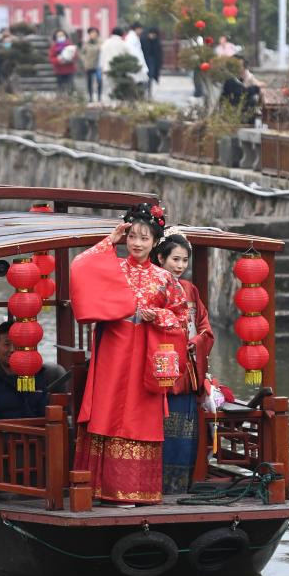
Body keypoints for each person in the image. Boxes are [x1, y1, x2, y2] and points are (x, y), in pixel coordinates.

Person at [70, 203, 188, 506]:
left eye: (144, 238)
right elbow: (80, 268)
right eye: (132, 236)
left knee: (139, 415)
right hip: (113, 348)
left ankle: (133, 490)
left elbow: (182, 318)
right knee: (107, 410)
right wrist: (109, 239)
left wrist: (158, 317)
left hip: (146, 353)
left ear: (154, 242)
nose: (136, 243)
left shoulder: (165, 280)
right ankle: (97, 487)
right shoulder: (112, 267)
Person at [154, 232, 214, 495]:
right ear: (161, 258)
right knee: (160, 432)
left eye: (184, 260)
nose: (180, 266)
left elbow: (205, 327)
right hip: (160, 371)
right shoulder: (152, 287)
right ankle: (153, 485)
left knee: (186, 434)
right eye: (175, 259)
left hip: (187, 370)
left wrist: (197, 341)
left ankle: (181, 487)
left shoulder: (191, 290)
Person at [0, 320, 49, 419]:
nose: (12, 350)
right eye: (7, 344)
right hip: (3, 432)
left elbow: (46, 410)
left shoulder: (36, 374)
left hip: (36, 432)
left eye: (16, 344)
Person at [99, 26, 129, 101]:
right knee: (117, 87)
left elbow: (102, 56)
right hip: (118, 69)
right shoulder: (123, 44)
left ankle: (107, 103)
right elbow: (127, 57)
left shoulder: (106, 43)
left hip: (107, 68)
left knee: (108, 87)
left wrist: (101, 67)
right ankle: (116, 104)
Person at [123, 21, 149, 95]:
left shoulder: (133, 37)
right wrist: (140, 65)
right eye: (140, 29)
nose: (141, 31)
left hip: (136, 65)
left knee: (140, 83)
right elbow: (135, 53)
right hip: (136, 65)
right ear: (137, 29)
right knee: (139, 84)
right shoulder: (132, 38)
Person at [48, 28, 77, 94]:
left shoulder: (69, 45)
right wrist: (59, 60)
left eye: (62, 35)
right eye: (59, 36)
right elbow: (51, 58)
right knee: (60, 88)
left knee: (70, 87)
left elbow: (75, 56)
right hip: (59, 70)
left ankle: (71, 100)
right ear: (56, 37)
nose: (61, 37)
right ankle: (61, 100)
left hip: (69, 70)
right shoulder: (54, 47)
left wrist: (70, 58)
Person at [81, 26, 102, 102]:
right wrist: (84, 62)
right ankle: (90, 97)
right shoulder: (86, 43)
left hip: (98, 66)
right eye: (91, 33)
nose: (93, 34)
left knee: (99, 81)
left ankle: (99, 97)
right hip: (89, 65)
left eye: (94, 33)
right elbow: (82, 54)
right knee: (89, 82)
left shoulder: (101, 43)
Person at [141, 26, 163, 99]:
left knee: (150, 78)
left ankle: (149, 93)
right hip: (144, 61)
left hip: (153, 62)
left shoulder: (157, 42)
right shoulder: (144, 40)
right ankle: (143, 93)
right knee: (144, 78)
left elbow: (159, 54)